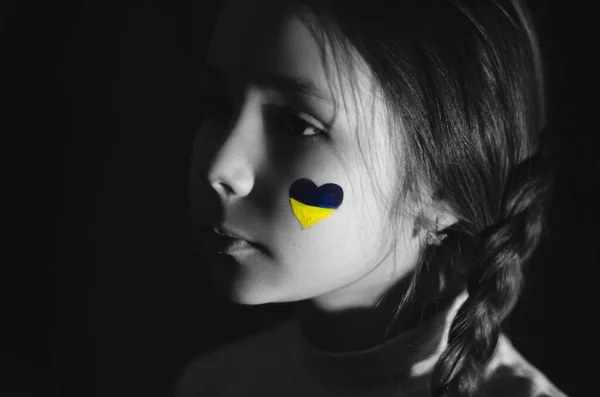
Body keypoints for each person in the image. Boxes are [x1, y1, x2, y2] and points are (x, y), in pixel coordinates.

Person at [175, 0, 567, 395]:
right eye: (217, 104)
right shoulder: (211, 385)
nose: (220, 169)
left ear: (443, 189)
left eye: (297, 125)